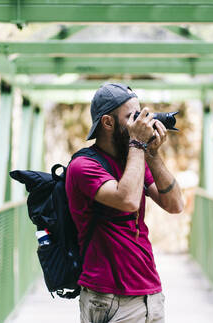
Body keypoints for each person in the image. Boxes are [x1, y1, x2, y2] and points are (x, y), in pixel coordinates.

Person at [65, 83, 184, 323]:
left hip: (149, 294)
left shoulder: (134, 159)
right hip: (110, 299)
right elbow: (127, 200)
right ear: (108, 122)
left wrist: (152, 154)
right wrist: (137, 145)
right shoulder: (84, 166)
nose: (140, 123)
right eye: (132, 117)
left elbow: (175, 204)